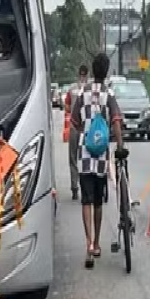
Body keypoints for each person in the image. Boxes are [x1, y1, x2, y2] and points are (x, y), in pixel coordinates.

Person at [69, 52, 123, 267]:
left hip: (84, 152)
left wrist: (85, 129)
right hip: (101, 155)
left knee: (86, 200)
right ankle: (98, 242)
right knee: (99, 201)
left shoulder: (82, 93)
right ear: (107, 71)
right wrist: (120, 146)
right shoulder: (109, 95)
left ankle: (89, 245)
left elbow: (74, 122)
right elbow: (116, 121)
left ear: (92, 70)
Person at [65, 65, 89, 201]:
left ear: (78, 74)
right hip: (87, 128)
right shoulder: (91, 89)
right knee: (86, 158)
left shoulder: (72, 89)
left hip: (74, 127)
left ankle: (74, 188)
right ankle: (87, 187)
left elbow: (67, 107)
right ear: (87, 75)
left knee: (73, 158)